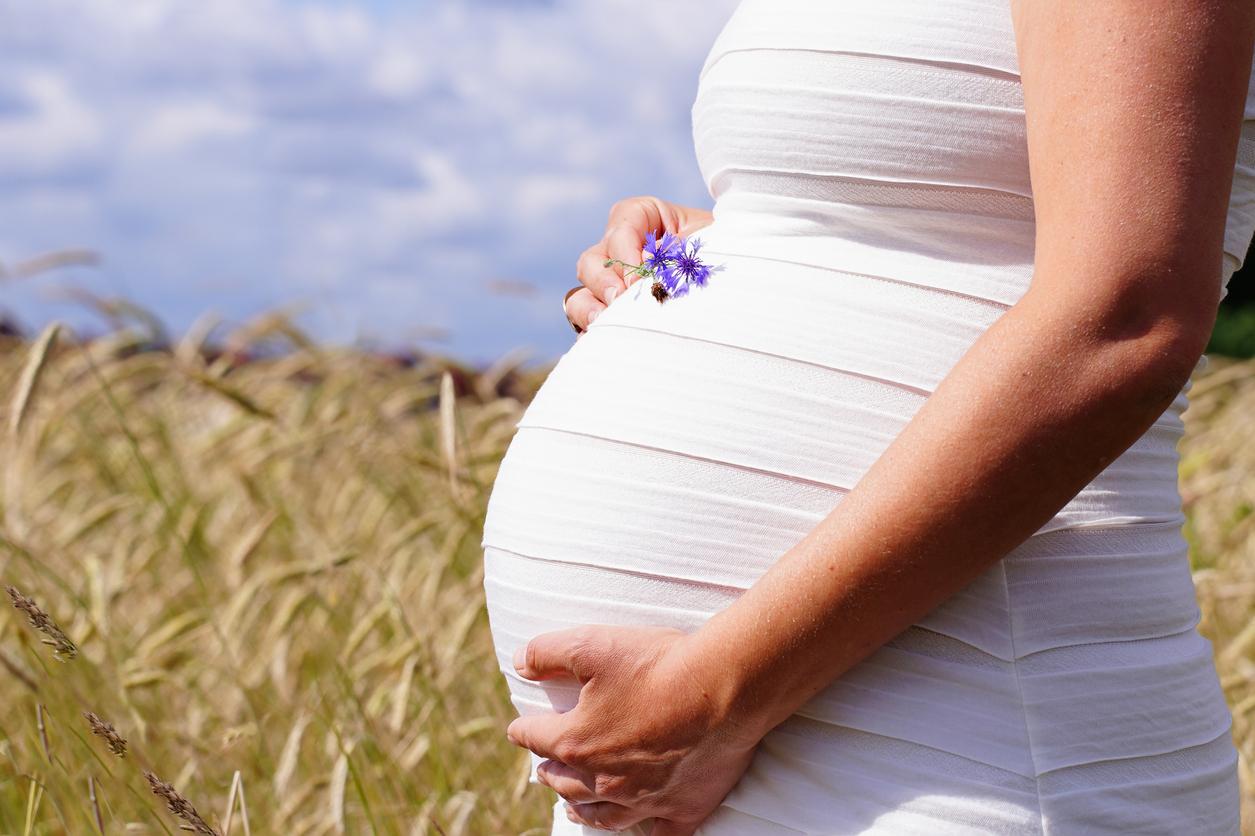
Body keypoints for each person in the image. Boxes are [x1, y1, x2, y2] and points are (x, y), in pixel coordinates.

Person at [481, 1, 1255, 833]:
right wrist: (732, 248)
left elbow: (1126, 317)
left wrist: (715, 697)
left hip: (954, 742)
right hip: (695, 743)